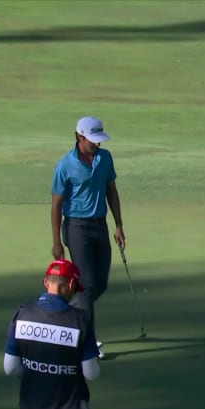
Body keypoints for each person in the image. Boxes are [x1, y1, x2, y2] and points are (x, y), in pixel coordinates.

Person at [4, 259, 101, 409]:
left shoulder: (23, 314)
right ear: (71, 286)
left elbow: (10, 368)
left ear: (46, 282)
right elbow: (91, 373)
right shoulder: (80, 320)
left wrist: (38, 373)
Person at [51, 115, 126, 358]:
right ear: (78, 137)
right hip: (76, 227)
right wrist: (56, 243)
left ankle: (68, 320)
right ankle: (87, 344)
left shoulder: (105, 158)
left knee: (99, 284)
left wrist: (118, 224)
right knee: (88, 284)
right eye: (92, 140)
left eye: (99, 140)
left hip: (100, 226)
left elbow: (111, 191)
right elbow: (56, 205)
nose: (97, 145)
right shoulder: (64, 165)